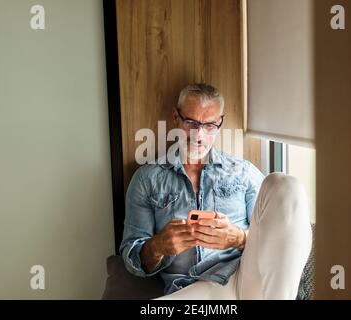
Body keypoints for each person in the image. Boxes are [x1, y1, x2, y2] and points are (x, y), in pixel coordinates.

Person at [120, 83, 312, 299]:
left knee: (285, 184)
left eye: (210, 125)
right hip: (188, 291)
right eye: (191, 122)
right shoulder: (147, 178)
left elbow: (278, 233)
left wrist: (238, 238)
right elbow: (131, 258)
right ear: (176, 117)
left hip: (242, 280)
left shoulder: (242, 172)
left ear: (220, 124)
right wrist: (158, 246)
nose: (199, 135)